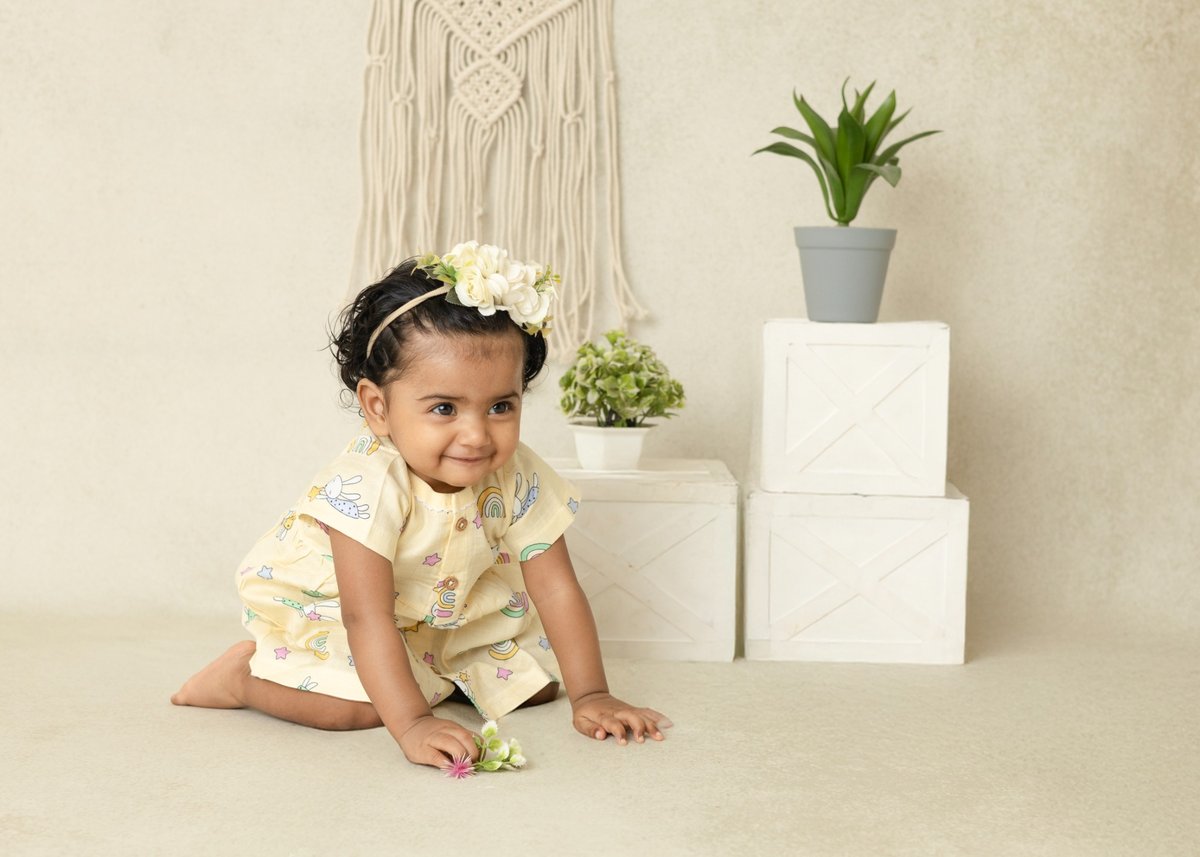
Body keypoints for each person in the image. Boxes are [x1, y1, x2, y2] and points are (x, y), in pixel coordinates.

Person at [172, 242, 670, 769]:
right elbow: (365, 617)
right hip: (341, 615)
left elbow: (556, 586)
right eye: (444, 408)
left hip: (439, 614)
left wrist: (591, 694)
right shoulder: (366, 485)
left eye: (501, 406)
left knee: (534, 686)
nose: (476, 435)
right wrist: (412, 723)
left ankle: (433, 673)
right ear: (378, 407)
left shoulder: (516, 472)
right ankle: (240, 679)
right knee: (355, 709)